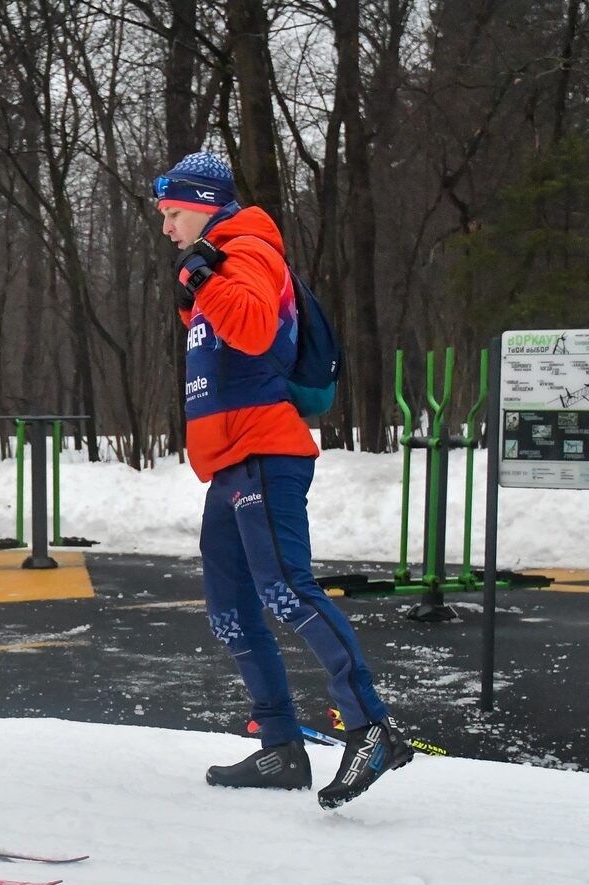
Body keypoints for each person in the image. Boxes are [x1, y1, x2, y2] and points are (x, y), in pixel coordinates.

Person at [154, 149, 412, 809]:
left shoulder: (248, 249)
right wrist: (198, 285)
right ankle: (280, 747)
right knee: (231, 610)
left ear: (204, 206)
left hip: (266, 452)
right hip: (232, 460)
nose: (166, 227)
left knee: (288, 592)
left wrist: (203, 275)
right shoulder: (218, 261)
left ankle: (370, 726)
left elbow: (251, 325)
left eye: (173, 213)